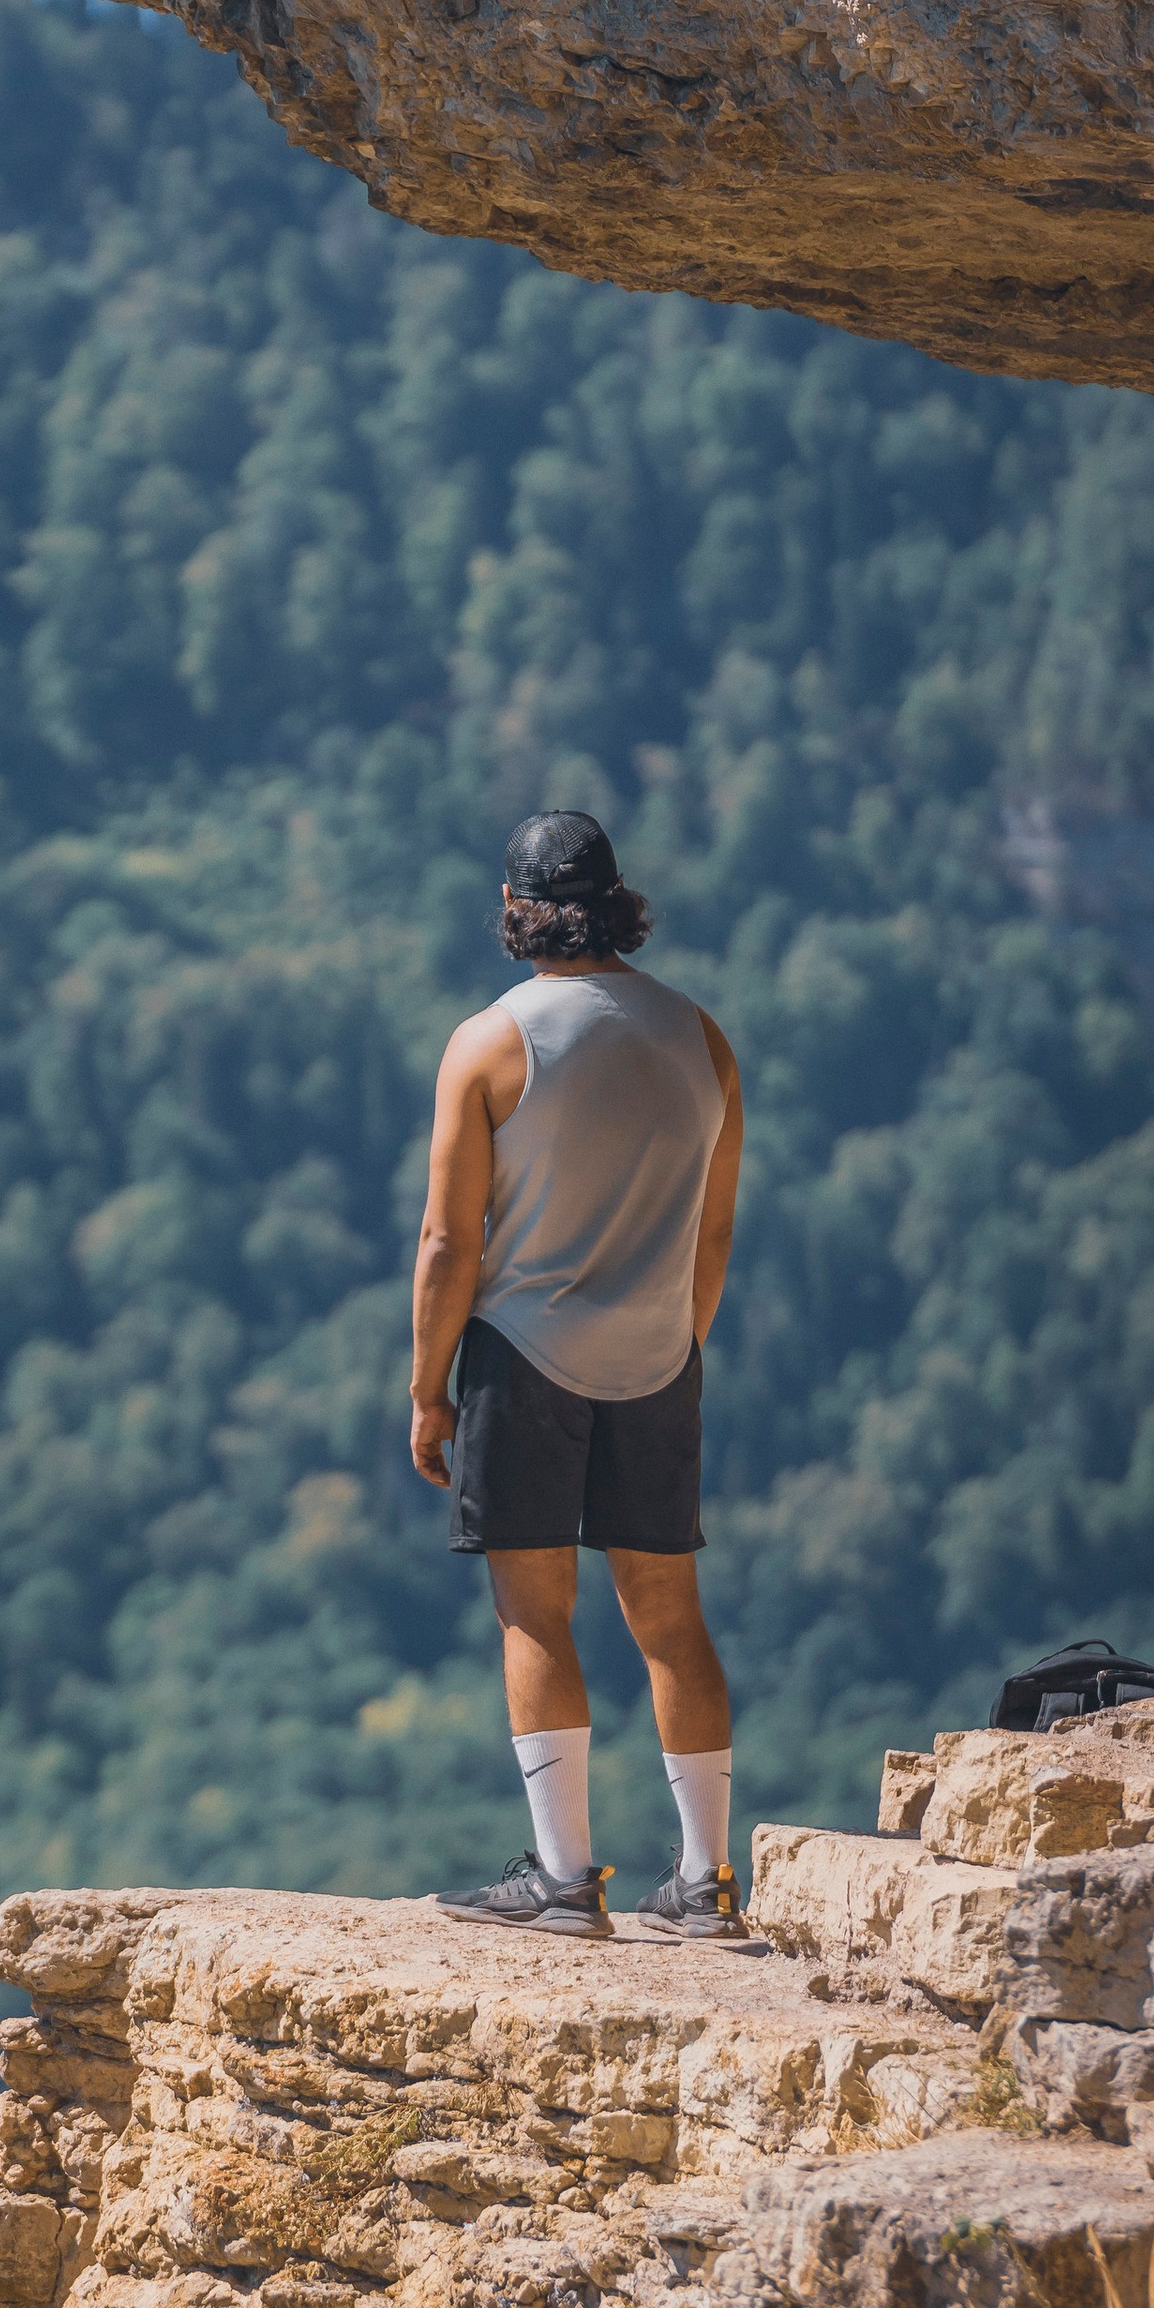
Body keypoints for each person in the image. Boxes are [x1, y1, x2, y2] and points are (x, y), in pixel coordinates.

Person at [407, 809, 751, 1941]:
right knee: (671, 1617)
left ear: (515, 907)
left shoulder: (489, 1043)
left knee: (534, 1611)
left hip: (525, 1353)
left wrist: (427, 1388)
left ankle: (563, 1880)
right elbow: (713, 1232)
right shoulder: (701, 1039)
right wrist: (677, 1342)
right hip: (659, 1353)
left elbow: (449, 1243)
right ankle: (705, 1882)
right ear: (616, 901)